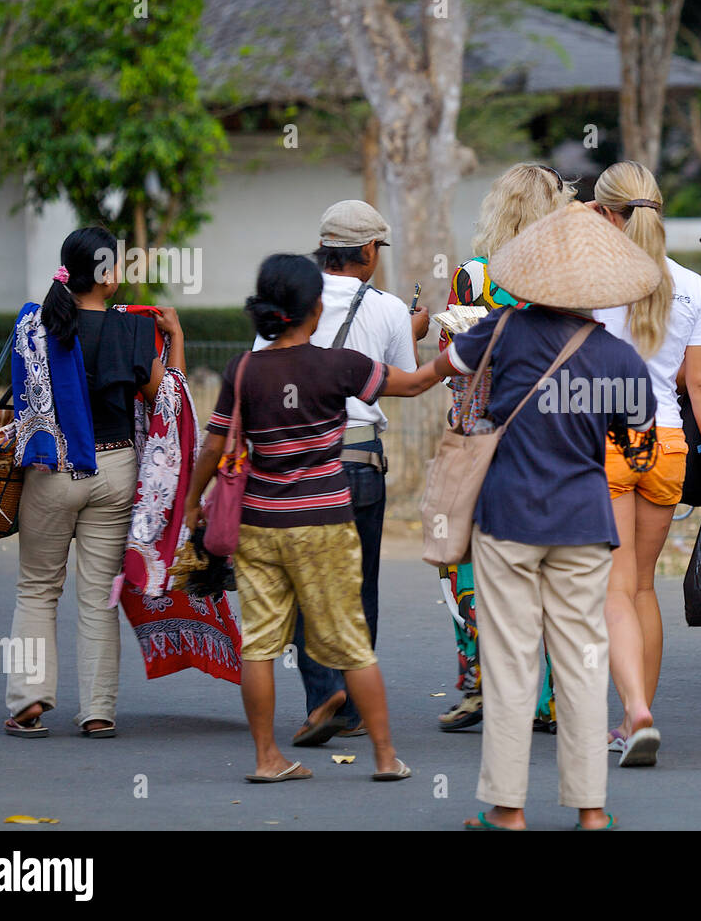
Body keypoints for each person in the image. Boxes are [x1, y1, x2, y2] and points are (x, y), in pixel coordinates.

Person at [427, 202, 659, 830]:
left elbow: (440, 371)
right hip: (585, 522)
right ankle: (590, 811)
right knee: (584, 659)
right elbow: (638, 444)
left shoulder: (499, 332)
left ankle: (508, 811)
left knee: (509, 663)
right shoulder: (619, 358)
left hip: (508, 518)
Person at [183, 254, 441, 783]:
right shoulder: (338, 365)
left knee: (258, 644)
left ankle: (266, 759)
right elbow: (416, 383)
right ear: (316, 309)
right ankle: (387, 758)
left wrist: (192, 501)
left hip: (259, 525)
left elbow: (212, 446)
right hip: (324, 521)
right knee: (351, 643)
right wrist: (459, 356)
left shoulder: (243, 370)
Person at [250, 200, 430, 749]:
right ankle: (351, 705)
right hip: (360, 462)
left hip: (296, 465)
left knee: (306, 585)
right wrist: (413, 328)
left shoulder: (288, 303)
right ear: (369, 250)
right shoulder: (389, 308)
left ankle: (320, 696)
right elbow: (401, 379)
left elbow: (259, 368)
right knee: (359, 586)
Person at [4, 227, 184, 738]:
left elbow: (27, 407)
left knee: (38, 590)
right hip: (116, 471)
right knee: (99, 596)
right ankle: (98, 712)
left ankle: (29, 704)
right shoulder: (133, 330)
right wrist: (177, 340)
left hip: (54, 469)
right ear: (105, 275)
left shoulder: (36, 327)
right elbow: (167, 403)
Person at [589, 160, 701, 766]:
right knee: (645, 587)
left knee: (613, 591)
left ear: (606, 213)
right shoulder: (692, 287)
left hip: (607, 442)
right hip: (669, 444)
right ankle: (638, 711)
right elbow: (700, 384)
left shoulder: (590, 282)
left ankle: (634, 715)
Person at [434, 163, 575, 734]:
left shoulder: (473, 276)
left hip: (479, 436)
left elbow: (451, 357)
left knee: (463, 561)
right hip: (553, 438)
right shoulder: (570, 274)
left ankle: (480, 686)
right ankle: (548, 699)